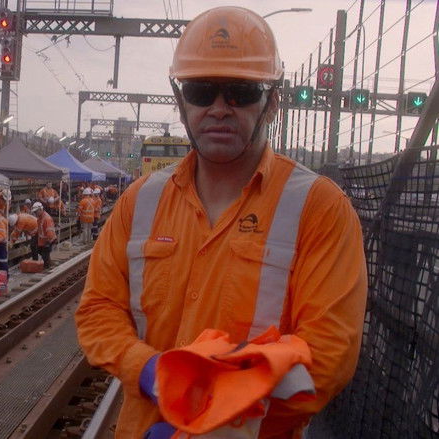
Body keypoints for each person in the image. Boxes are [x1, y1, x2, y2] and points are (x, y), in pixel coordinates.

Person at [75, 6, 367, 439]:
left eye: (240, 92)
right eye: (201, 90)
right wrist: (149, 370)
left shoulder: (319, 209)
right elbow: (99, 309)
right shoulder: (140, 202)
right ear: (180, 100)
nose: (218, 108)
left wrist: (207, 422)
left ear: (271, 103)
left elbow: (326, 355)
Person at [32, 202, 57, 269]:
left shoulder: (46, 218)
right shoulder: (40, 218)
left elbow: (49, 231)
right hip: (43, 240)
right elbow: (40, 228)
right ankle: (49, 263)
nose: (35, 213)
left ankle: (48, 267)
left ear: (40, 209)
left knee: (45, 254)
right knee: (40, 251)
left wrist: (48, 241)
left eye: (36, 211)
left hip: (48, 240)